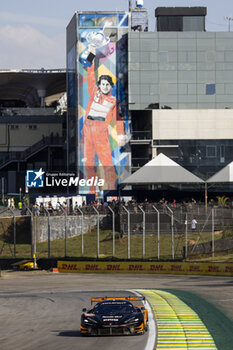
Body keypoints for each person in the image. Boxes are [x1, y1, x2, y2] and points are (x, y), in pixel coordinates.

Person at [82, 58, 127, 193]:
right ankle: (92, 192)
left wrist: (120, 135)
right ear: (99, 85)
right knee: (88, 163)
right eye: (103, 84)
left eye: (108, 84)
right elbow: (90, 74)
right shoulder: (94, 93)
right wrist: (91, 53)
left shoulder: (114, 101)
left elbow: (119, 119)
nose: (105, 86)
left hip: (101, 131)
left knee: (107, 164)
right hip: (88, 129)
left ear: (110, 86)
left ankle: (112, 192)